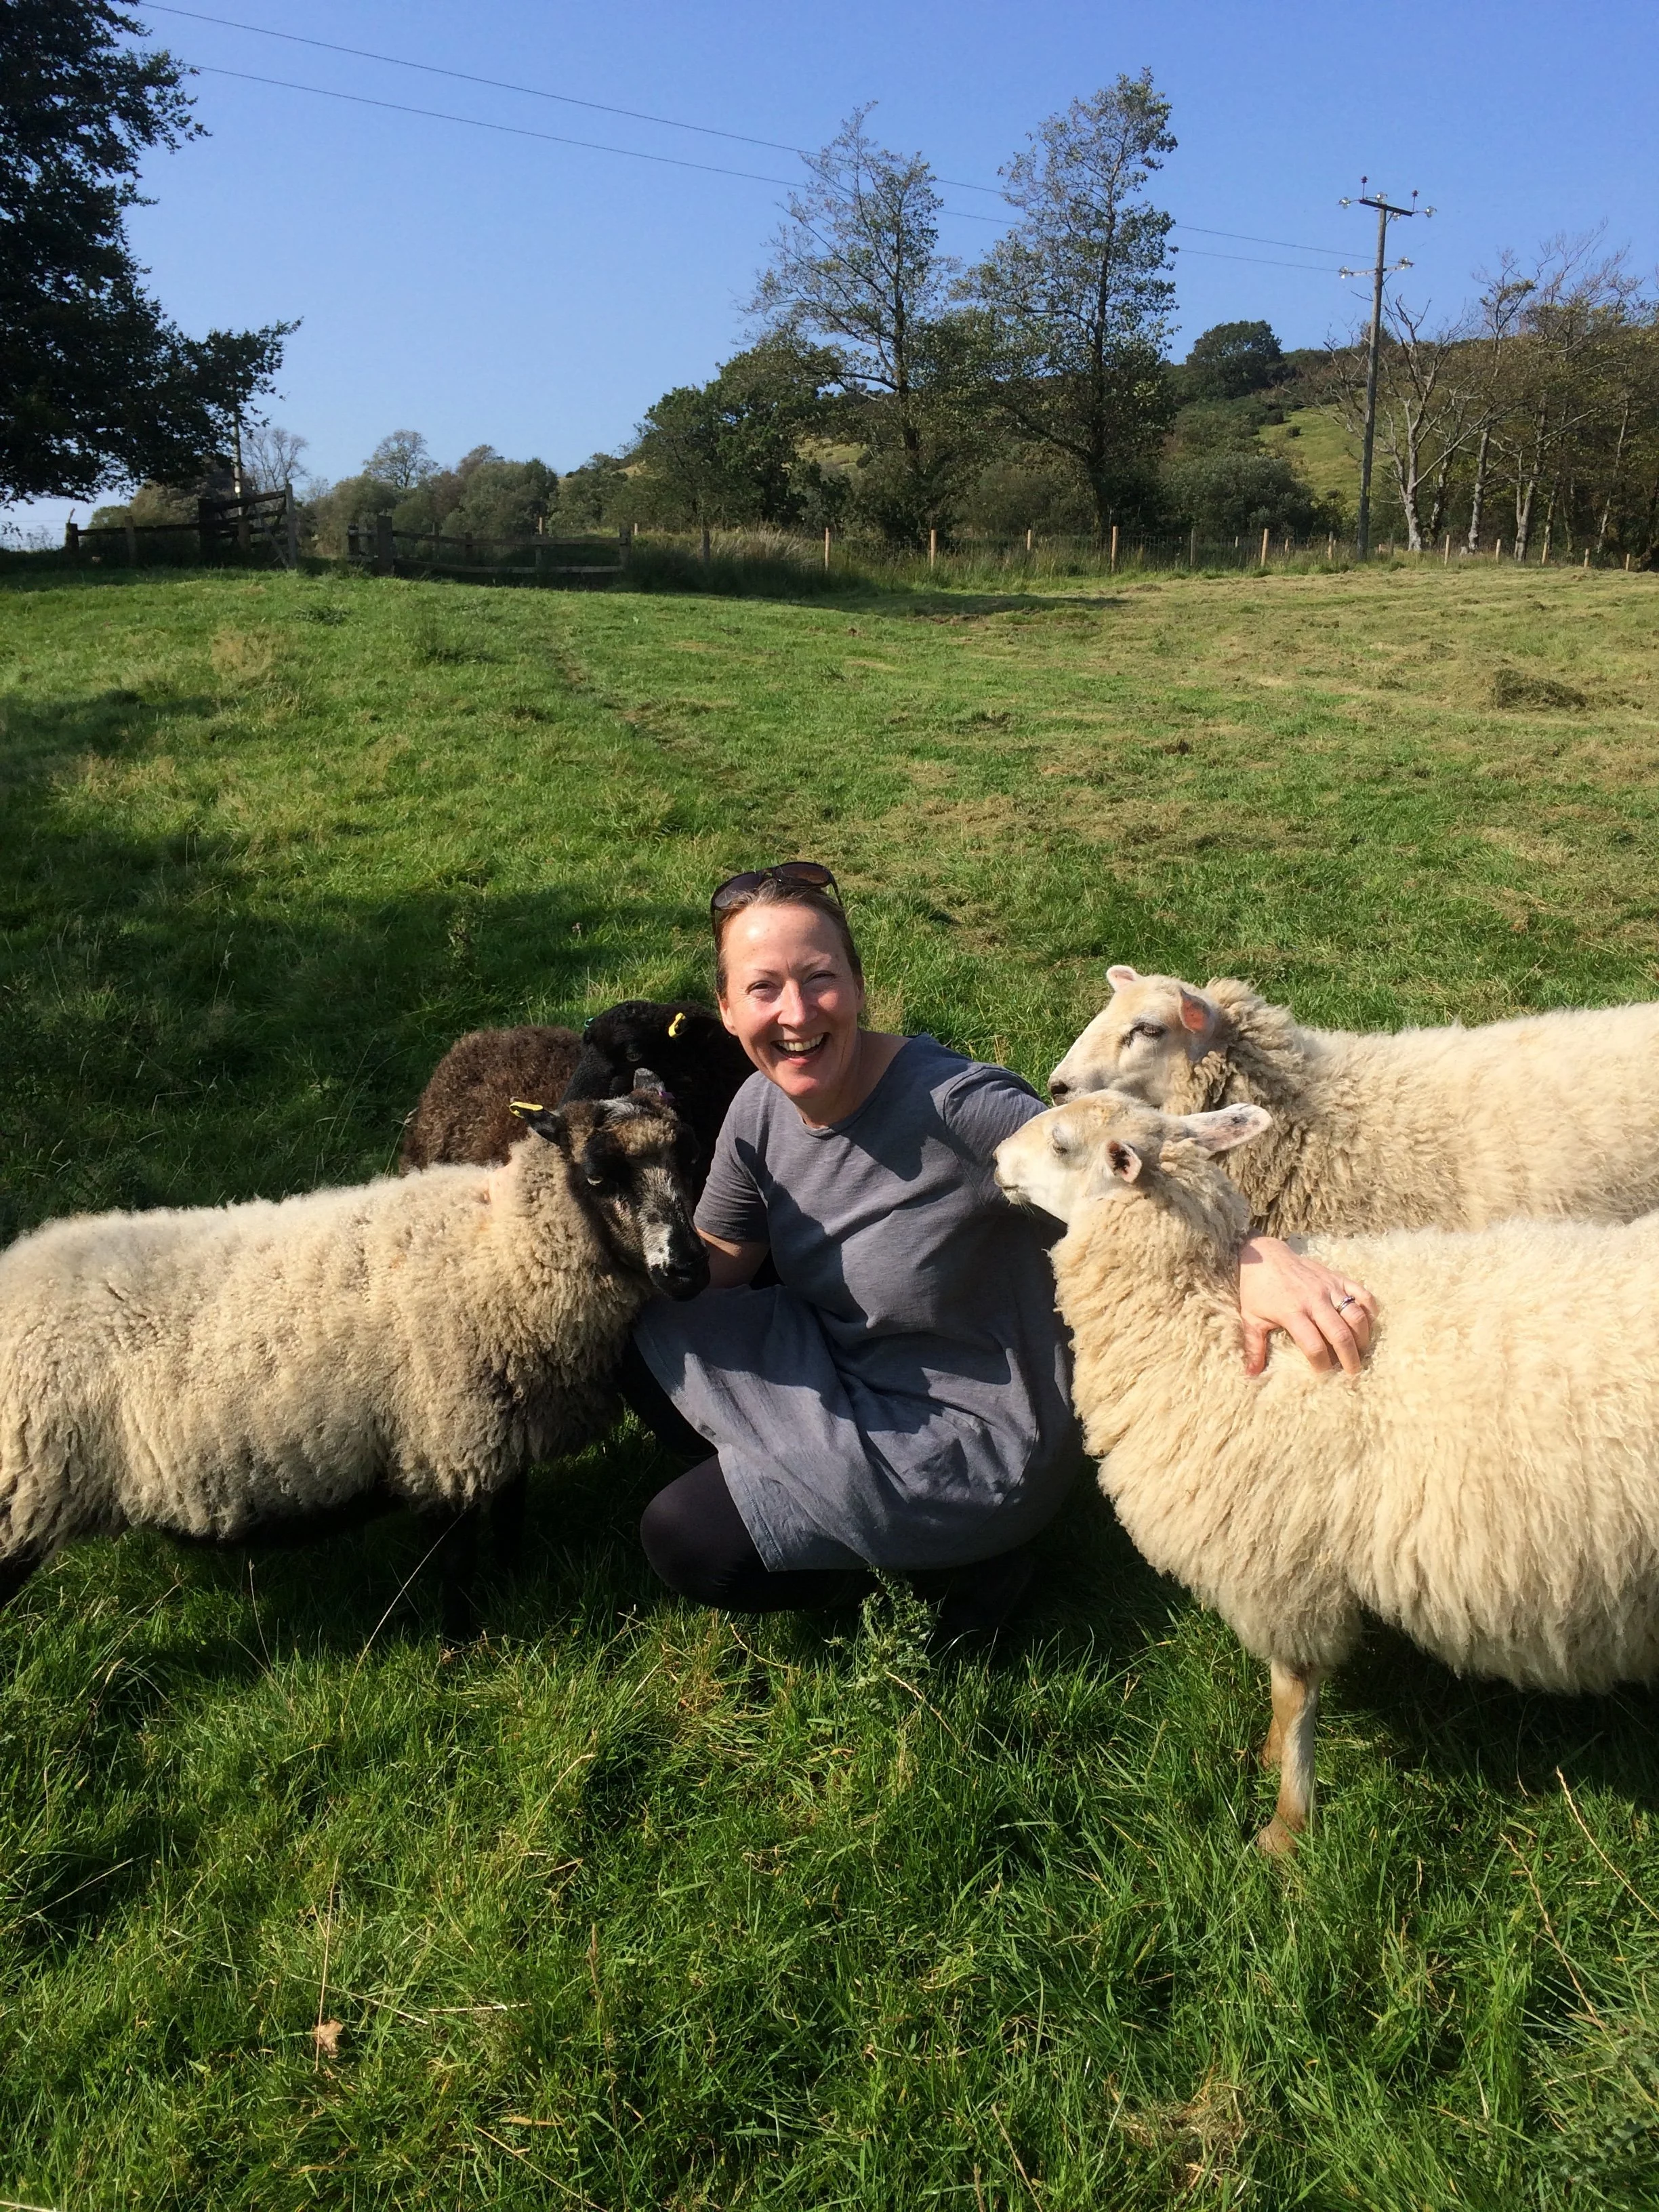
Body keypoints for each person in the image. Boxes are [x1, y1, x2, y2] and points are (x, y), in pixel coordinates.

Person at [630, 863, 1375, 1634]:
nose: (795, 1012)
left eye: (819, 978)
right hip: (840, 1358)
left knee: (688, 1540)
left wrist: (1257, 1256)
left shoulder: (961, 1107)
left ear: (856, 986)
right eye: (763, 988)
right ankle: (814, 1498)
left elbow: (1115, 1163)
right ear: (725, 1007)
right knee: (635, 1334)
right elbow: (719, 1263)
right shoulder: (759, 1106)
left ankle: (958, 1572)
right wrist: (598, 1241)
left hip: (967, 1431)